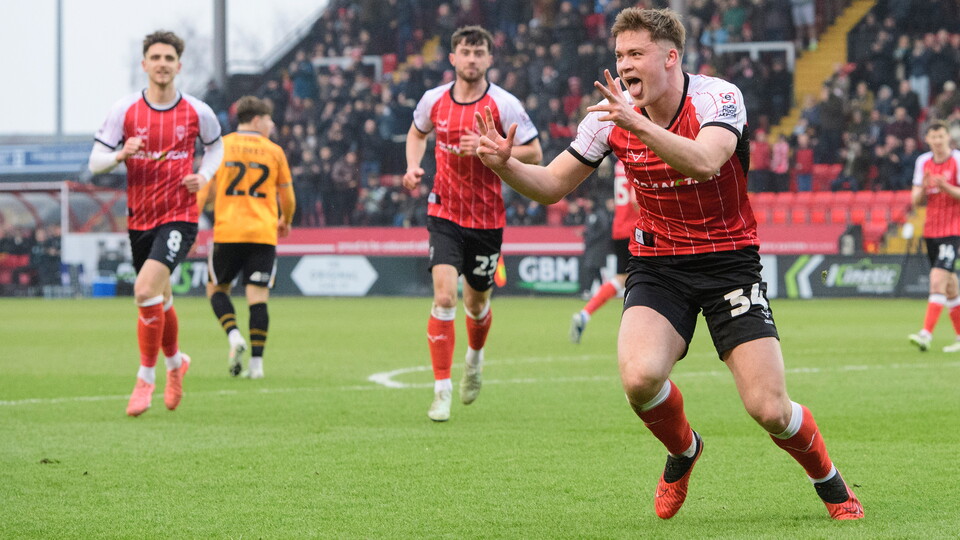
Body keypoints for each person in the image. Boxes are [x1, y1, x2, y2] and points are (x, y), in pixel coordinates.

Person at [475, 7, 863, 520]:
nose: (625, 65)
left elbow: (705, 160)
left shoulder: (717, 97)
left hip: (729, 263)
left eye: (636, 54)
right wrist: (507, 167)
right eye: (619, 55)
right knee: (639, 379)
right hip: (659, 263)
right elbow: (550, 185)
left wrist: (634, 122)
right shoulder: (607, 119)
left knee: (769, 409)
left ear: (671, 57)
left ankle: (830, 482)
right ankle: (684, 450)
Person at [403, 25, 542, 422]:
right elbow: (417, 134)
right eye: (464, 52)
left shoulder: (505, 105)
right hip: (444, 212)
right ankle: (441, 390)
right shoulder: (433, 100)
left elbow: (535, 152)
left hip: (486, 219)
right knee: (444, 297)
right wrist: (413, 167)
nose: (471, 59)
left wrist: (497, 149)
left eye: (478, 52)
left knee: (476, 304)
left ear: (489, 58)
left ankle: (475, 359)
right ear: (452, 58)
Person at [88, 30, 223, 417]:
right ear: (144, 64)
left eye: (169, 58)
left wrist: (205, 175)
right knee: (160, 300)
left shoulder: (198, 111)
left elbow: (217, 145)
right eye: (156, 57)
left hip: (180, 214)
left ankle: (145, 377)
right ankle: (176, 363)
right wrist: (119, 155)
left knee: (144, 289)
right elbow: (95, 160)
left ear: (178, 66)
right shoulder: (124, 111)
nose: (162, 63)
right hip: (140, 218)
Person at [200, 96, 296, 379]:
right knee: (258, 298)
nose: (272, 124)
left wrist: (192, 220)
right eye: (269, 119)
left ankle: (233, 336)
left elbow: (202, 189)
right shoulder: (274, 151)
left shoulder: (221, 146)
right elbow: (288, 197)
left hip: (228, 231)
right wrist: (286, 220)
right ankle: (257, 366)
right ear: (257, 120)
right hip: (263, 233)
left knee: (216, 290)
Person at [570, 160, 640, 344]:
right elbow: (635, 199)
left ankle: (585, 314)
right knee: (650, 278)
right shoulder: (638, 158)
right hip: (635, 229)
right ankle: (639, 331)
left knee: (622, 278)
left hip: (619, 227)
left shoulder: (620, 163)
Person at [908, 121, 960, 352]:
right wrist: (924, 187)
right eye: (933, 137)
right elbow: (915, 200)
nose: (937, 141)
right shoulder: (923, 162)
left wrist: (945, 186)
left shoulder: (957, 160)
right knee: (950, 286)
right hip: (931, 231)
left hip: (953, 230)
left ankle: (925, 334)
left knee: (937, 280)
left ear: (948, 137)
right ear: (927, 139)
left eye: (941, 136)